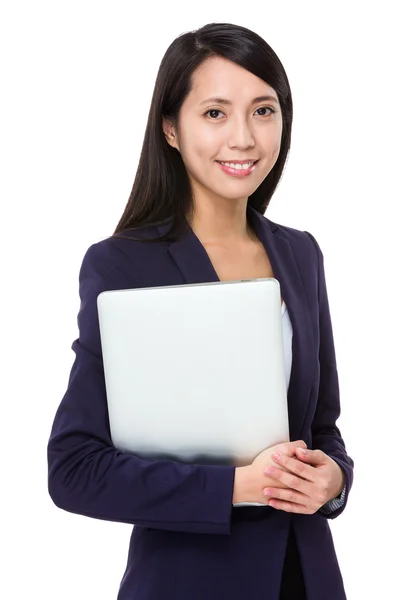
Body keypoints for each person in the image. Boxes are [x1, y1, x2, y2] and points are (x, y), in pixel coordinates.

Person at [47, 22, 354, 600]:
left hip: (308, 580)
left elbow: (321, 430)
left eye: (264, 111)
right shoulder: (123, 268)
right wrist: (238, 486)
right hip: (187, 582)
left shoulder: (300, 254)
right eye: (215, 113)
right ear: (170, 127)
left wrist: (334, 480)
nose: (244, 137)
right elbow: (74, 470)